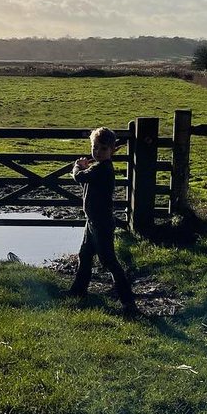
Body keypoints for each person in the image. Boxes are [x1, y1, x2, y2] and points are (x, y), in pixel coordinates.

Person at [68, 127, 138, 315]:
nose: (97, 152)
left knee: (109, 261)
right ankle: (78, 290)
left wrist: (77, 166)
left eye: (103, 149)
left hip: (101, 223)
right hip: (93, 221)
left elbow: (79, 177)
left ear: (111, 150)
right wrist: (85, 167)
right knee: (85, 255)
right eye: (95, 147)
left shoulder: (102, 169)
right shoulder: (98, 168)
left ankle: (128, 302)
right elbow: (87, 181)